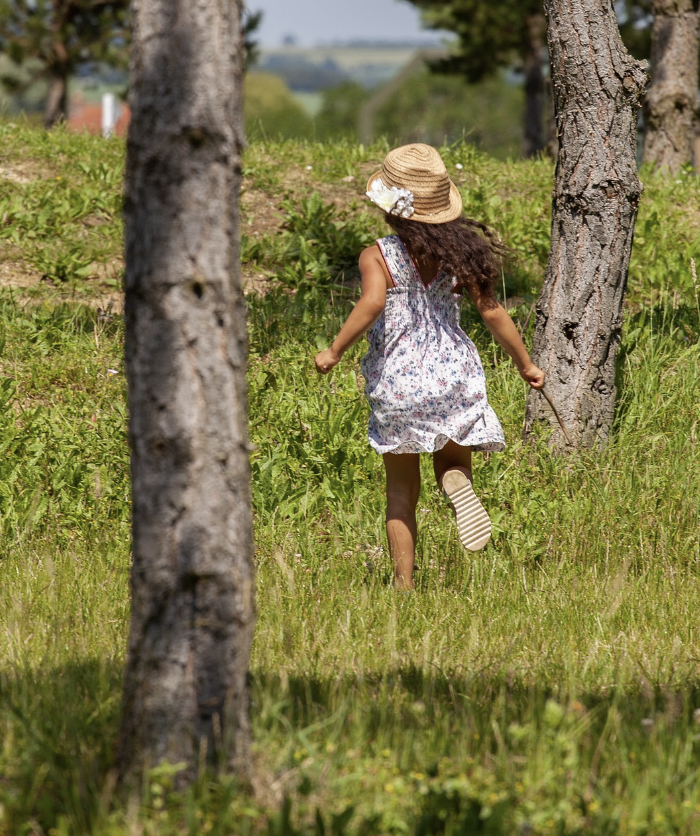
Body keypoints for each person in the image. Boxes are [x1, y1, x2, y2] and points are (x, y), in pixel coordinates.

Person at [314, 144, 545, 591]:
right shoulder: (459, 255)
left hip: (398, 381)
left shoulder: (377, 255)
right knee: (452, 460)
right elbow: (492, 311)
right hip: (452, 374)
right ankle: (455, 479)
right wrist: (526, 364)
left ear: (391, 209)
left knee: (400, 492)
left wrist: (335, 351)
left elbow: (372, 303)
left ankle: (403, 586)